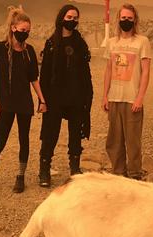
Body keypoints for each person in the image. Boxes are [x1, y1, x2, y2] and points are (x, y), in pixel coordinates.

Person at [0, 6, 46, 194]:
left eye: (28, 31)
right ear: (13, 28)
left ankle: (20, 176)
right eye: (23, 30)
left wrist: (42, 99)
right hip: (5, 103)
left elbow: (33, 78)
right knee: (0, 141)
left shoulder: (29, 51)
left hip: (24, 102)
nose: (25, 34)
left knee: (24, 141)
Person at [37, 4, 93, 187]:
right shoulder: (52, 43)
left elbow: (86, 72)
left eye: (75, 18)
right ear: (62, 18)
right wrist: (42, 100)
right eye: (69, 17)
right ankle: (44, 170)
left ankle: (75, 169)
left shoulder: (80, 44)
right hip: (55, 97)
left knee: (75, 133)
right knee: (50, 133)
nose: (72, 21)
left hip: (76, 96)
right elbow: (44, 75)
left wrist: (87, 96)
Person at [102, 3, 151, 180]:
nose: (126, 21)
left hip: (132, 100)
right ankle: (118, 173)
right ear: (118, 19)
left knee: (133, 142)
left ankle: (135, 174)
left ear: (135, 20)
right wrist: (105, 96)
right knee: (114, 140)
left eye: (129, 18)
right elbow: (108, 70)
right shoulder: (112, 43)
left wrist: (140, 98)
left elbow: (145, 71)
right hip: (115, 98)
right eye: (123, 18)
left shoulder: (142, 42)